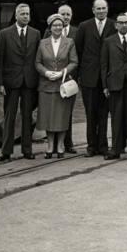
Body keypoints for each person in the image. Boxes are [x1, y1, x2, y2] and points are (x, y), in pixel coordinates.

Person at [0, 3, 41, 161]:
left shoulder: (36, 34)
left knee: (27, 116)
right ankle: (6, 151)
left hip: (29, 82)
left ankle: (27, 149)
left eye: (27, 14)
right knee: (9, 116)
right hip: (11, 81)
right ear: (16, 16)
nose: (25, 16)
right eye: (22, 14)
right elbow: (0, 60)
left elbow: (38, 58)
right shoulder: (4, 34)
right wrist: (0, 83)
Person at [75, 0, 115, 157]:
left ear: (107, 9)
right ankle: (91, 146)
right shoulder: (84, 26)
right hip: (89, 77)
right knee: (90, 112)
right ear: (93, 10)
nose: (101, 11)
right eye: (98, 9)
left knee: (104, 112)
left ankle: (103, 146)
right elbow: (78, 50)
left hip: (107, 77)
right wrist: (78, 76)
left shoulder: (113, 25)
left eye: (103, 8)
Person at [35, 13, 79, 158]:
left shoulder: (69, 42)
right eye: (55, 25)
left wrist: (63, 72)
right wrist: (46, 72)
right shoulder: (43, 43)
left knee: (61, 116)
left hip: (62, 85)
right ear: (50, 27)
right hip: (46, 85)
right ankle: (49, 145)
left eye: (60, 25)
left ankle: (60, 145)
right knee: (48, 116)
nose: (58, 27)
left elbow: (74, 61)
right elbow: (37, 62)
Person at [101, 13, 127, 160]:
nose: (124, 25)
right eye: (121, 23)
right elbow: (104, 65)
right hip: (115, 84)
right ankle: (115, 150)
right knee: (116, 117)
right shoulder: (108, 42)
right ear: (116, 25)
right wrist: (105, 86)